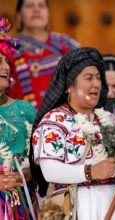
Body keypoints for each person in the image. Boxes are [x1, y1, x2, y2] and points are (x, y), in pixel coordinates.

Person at [31, 47, 115, 219]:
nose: (96, 83)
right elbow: (49, 171)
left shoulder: (110, 120)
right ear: (69, 87)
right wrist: (91, 172)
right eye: (88, 78)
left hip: (114, 203)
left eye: (98, 78)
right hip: (77, 206)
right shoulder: (54, 120)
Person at [8, 0, 79, 108]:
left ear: (48, 14)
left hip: (63, 120)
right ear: (19, 16)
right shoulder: (8, 47)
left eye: (41, 5)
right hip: (21, 121)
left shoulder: (66, 44)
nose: (36, 10)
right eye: (30, 6)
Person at [0, 17, 37, 220]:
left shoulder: (24, 109)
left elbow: (42, 156)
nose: (6, 67)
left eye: (7, 61)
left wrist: (29, 172)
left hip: (22, 202)